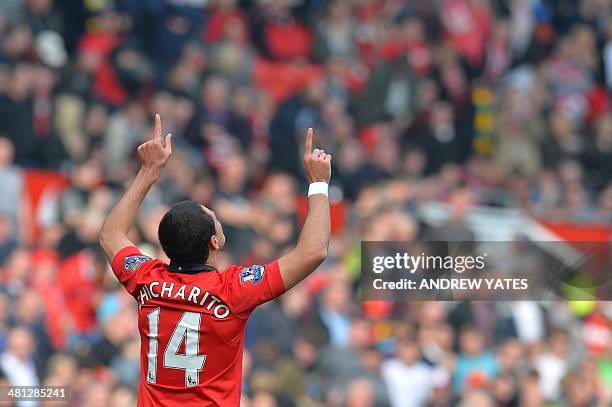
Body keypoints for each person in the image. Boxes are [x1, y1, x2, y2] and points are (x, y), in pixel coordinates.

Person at [98, 114, 332, 406]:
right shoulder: (233, 289)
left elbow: (110, 234)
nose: (214, 213)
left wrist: (148, 172)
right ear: (214, 242)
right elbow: (314, 251)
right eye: (212, 216)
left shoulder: (146, 280)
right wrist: (319, 185)